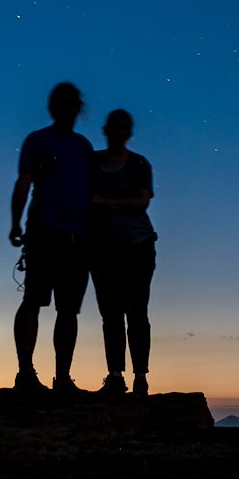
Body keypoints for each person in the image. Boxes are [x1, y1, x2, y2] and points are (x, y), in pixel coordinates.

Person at [9, 81, 94, 398]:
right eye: (62, 102)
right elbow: (24, 181)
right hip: (45, 232)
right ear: (53, 107)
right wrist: (16, 223)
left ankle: (62, 378)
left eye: (72, 103)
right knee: (33, 302)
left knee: (68, 309)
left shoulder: (83, 147)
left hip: (78, 237)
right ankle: (26, 374)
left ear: (77, 108)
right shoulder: (37, 141)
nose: (67, 108)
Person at [89, 109, 157, 398]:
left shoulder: (139, 164)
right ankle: (116, 376)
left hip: (137, 246)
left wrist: (103, 201)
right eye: (114, 128)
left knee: (136, 312)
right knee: (111, 315)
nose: (118, 133)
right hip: (102, 250)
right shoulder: (91, 162)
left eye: (122, 128)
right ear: (106, 130)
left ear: (128, 133)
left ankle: (140, 377)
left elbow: (142, 201)